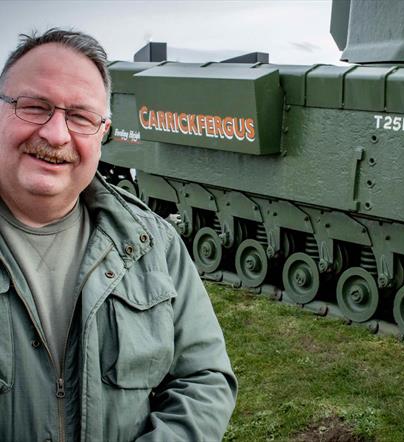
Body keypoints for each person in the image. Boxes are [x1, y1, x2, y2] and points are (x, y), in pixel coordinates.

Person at [0, 28, 237, 441]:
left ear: (103, 131)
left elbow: (204, 378)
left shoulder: (154, 245)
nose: (56, 135)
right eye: (34, 107)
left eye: (80, 117)